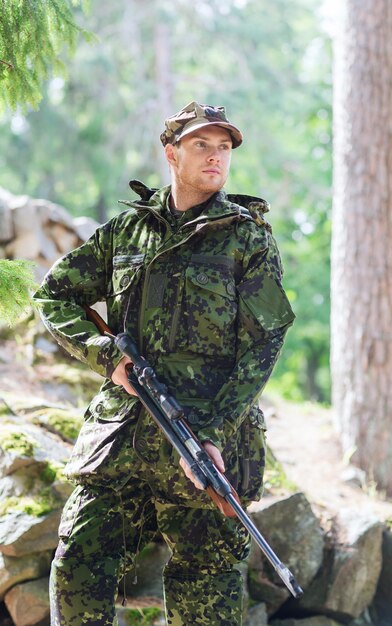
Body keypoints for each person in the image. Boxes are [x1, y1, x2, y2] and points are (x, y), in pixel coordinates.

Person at [34, 100, 295, 626]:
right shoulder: (125, 233)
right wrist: (106, 356)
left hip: (204, 442)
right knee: (79, 563)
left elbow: (264, 343)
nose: (216, 157)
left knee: (207, 585)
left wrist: (216, 430)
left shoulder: (247, 238)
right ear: (172, 153)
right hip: (123, 435)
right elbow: (54, 296)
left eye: (224, 148)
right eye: (202, 145)